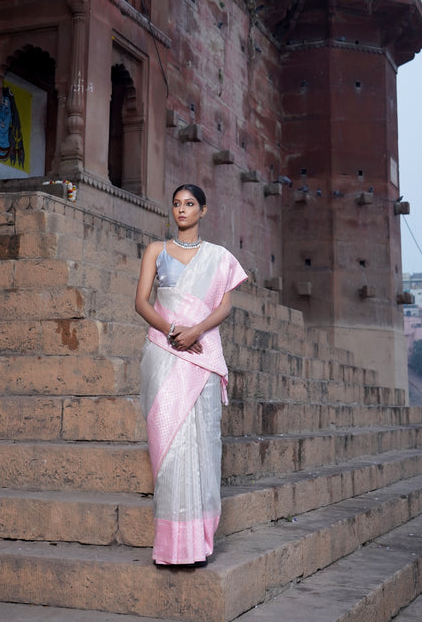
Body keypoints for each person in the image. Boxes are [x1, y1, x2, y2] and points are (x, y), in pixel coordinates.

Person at [135, 184, 248, 567]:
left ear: (203, 210)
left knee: (201, 443)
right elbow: (141, 302)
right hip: (163, 353)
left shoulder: (218, 257)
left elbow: (224, 306)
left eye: (189, 204)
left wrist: (195, 330)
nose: (181, 210)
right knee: (168, 444)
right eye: (177, 204)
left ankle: (197, 543)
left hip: (201, 354)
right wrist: (171, 332)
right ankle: (170, 545)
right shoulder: (156, 251)